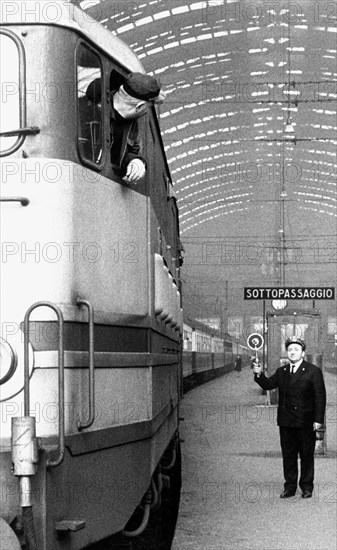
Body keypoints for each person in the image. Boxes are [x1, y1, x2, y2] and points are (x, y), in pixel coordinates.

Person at [252, 336, 326, 499]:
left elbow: (320, 397)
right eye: (290, 350)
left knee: (306, 456)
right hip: (286, 422)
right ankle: (290, 487)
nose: (293, 352)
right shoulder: (282, 371)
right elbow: (268, 384)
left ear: (303, 353)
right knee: (288, 456)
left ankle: (307, 487)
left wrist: (318, 420)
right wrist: (259, 375)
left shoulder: (313, 371)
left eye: (296, 350)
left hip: (306, 422)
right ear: (287, 353)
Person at [86, 72, 165, 183]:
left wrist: (137, 162)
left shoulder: (132, 125)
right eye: (148, 108)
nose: (147, 112)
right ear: (139, 106)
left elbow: (132, 151)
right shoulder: (89, 113)